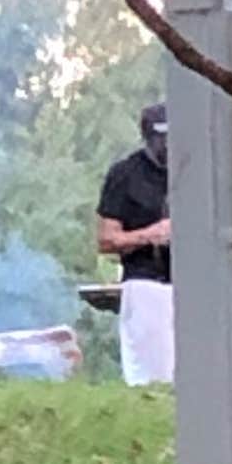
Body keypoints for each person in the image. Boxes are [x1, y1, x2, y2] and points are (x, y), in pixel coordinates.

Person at [97, 101, 174, 389]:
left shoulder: (195, 171)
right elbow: (106, 239)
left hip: (193, 285)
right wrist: (149, 235)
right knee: (153, 376)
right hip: (146, 284)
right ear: (148, 138)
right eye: (161, 139)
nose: (167, 145)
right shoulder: (125, 174)